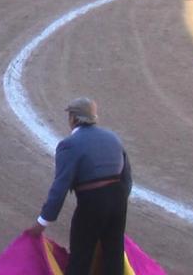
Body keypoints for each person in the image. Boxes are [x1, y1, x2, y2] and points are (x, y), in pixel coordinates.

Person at [28, 97, 131, 275]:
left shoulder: (69, 145)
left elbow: (59, 188)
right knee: (113, 256)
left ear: (74, 118)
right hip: (118, 198)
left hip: (92, 202)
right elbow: (127, 178)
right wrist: (116, 203)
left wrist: (42, 222)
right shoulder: (113, 138)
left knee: (81, 257)